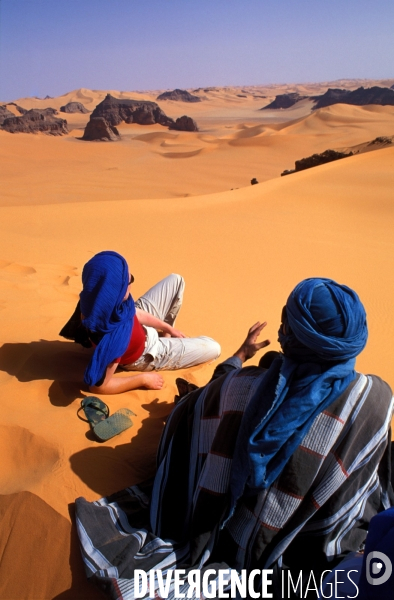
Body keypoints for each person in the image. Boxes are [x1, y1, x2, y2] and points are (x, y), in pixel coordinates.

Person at [75, 277, 393, 599]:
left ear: (293, 336)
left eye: (287, 320)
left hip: (236, 544)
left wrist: (239, 356)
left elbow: (192, 417)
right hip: (317, 558)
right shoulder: (375, 402)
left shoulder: (242, 391)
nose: (282, 325)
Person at [60, 251, 221, 394]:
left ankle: (168, 338)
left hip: (138, 327)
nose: (130, 280)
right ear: (112, 289)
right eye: (125, 280)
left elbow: (133, 312)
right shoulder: (114, 337)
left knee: (176, 280)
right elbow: (99, 386)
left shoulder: (96, 301)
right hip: (147, 353)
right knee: (214, 347)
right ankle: (167, 348)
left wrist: (167, 328)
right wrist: (142, 379)